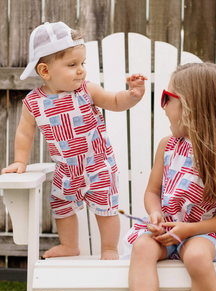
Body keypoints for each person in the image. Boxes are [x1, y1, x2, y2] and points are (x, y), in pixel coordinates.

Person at [1, 22, 147, 260]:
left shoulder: (87, 91)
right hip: (66, 169)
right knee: (61, 207)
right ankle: (70, 245)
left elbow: (115, 102)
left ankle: (109, 249)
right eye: (72, 65)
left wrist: (132, 95)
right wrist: (20, 161)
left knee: (106, 209)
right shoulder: (33, 103)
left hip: (97, 164)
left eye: (82, 63)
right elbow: (24, 132)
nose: (81, 70)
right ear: (45, 71)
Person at [123, 62, 216, 291]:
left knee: (195, 256)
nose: (162, 107)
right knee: (142, 247)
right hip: (165, 232)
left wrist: (189, 230)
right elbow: (152, 192)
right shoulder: (167, 147)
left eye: (166, 98)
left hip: (201, 234)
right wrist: (155, 215)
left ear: (190, 106)